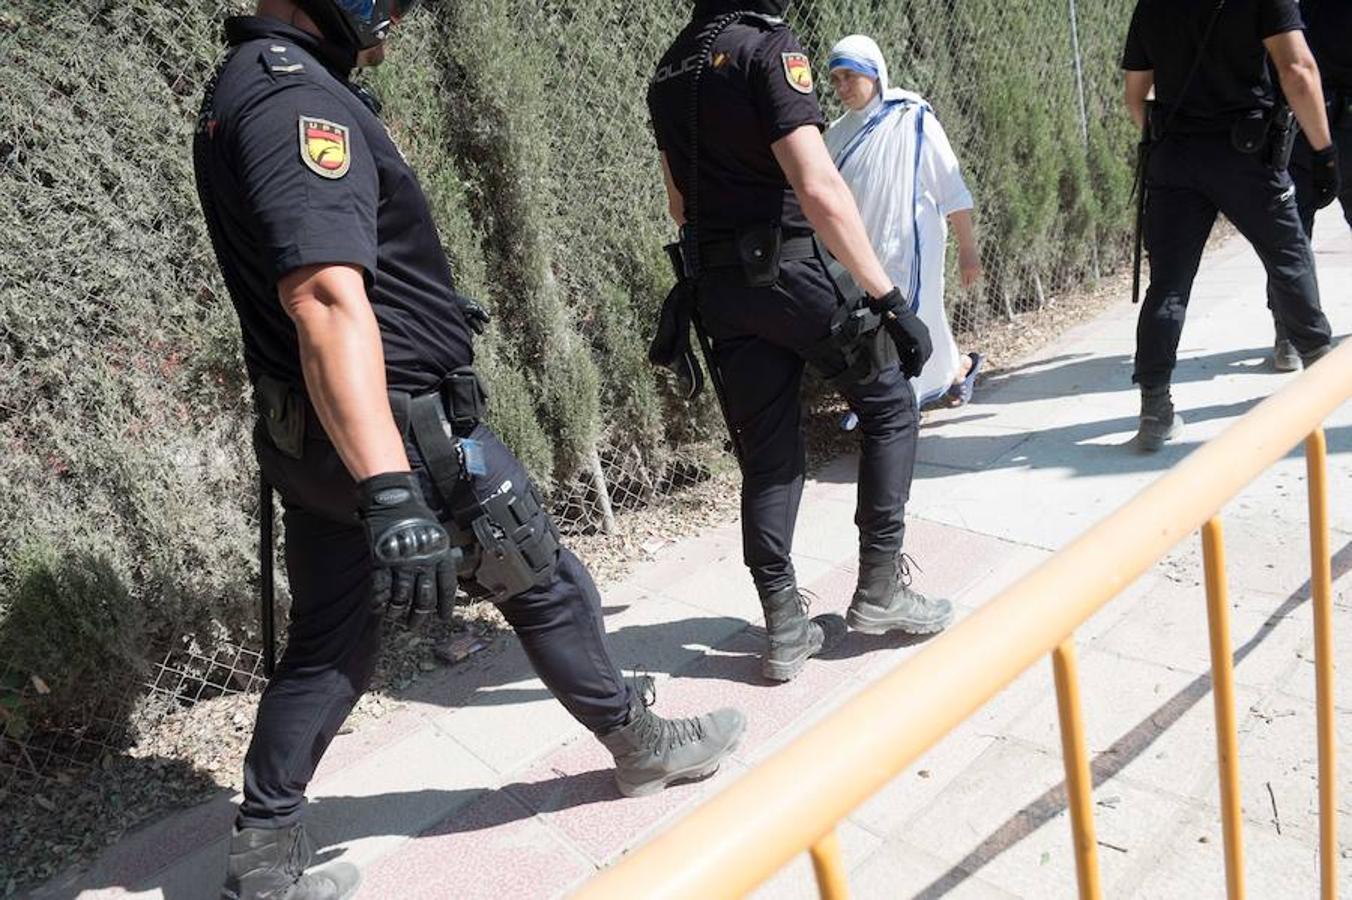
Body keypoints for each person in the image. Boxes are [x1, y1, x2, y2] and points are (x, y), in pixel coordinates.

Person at [193, 2, 745, 897]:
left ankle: (265, 854)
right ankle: (641, 746)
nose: (398, 16)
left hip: (316, 434)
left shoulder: (243, 88)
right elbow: (325, 299)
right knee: (545, 580)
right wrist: (392, 493)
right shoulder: (297, 103)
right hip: (404, 439)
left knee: (330, 641)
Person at [646, 0, 955, 685]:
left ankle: (785, 626)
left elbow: (678, 203)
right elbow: (818, 186)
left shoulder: (669, 70)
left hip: (719, 286)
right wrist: (889, 298)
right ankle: (879, 588)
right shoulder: (767, 48)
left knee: (769, 455)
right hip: (788, 270)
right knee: (889, 404)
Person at [1123, 0, 1339, 451]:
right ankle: (1323, 375)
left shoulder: (1151, 5)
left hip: (1174, 159)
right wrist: (1323, 152)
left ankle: (1155, 409)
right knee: (1287, 257)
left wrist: (1170, 140)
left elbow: (1135, 93)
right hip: (1249, 155)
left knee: (1169, 284)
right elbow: (1298, 70)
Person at [824, 34, 985, 408]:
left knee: (913, 315)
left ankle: (897, 401)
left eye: (850, 75)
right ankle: (956, 372)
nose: (842, 86)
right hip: (865, 250)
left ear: (874, 73)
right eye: (835, 79)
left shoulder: (911, 116)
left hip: (915, 243)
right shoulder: (835, 136)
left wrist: (967, 247)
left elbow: (950, 186)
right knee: (884, 323)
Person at [1267, 0, 1352, 371]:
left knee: (1290, 235)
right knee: (1291, 233)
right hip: (1326, 120)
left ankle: (1288, 332)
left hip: (1296, 122)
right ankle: (1289, 332)